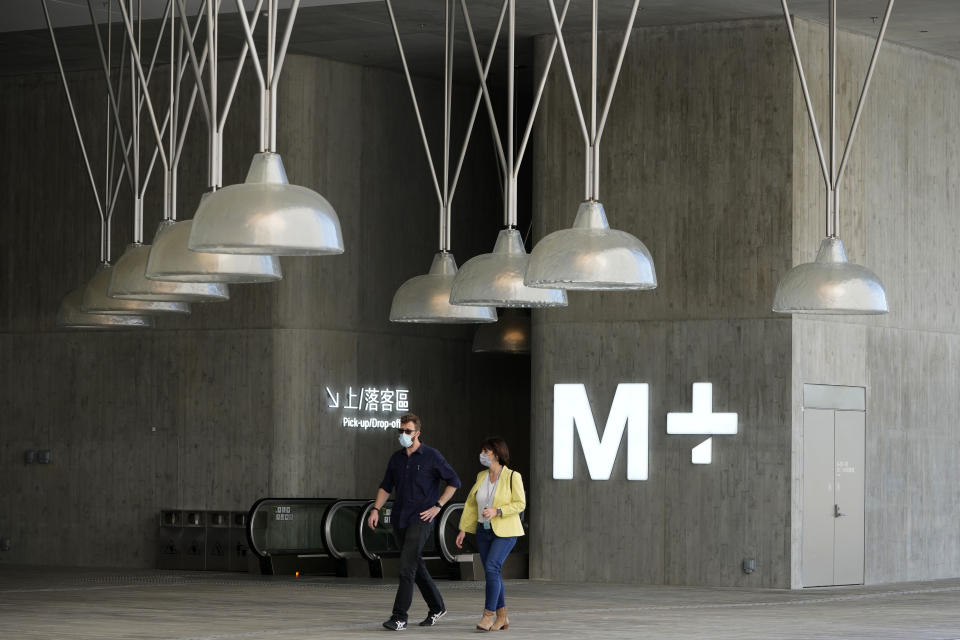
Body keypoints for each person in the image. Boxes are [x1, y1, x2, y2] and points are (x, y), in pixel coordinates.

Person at [367, 413, 461, 631]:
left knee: (406, 568)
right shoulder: (396, 458)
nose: (403, 435)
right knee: (415, 565)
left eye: (407, 431)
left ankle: (400, 617)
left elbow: (454, 482)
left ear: (417, 433)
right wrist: (375, 510)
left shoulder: (431, 456)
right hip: (400, 518)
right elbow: (385, 487)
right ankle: (437, 606)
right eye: (400, 431)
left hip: (421, 519)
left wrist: (437, 506)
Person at [456, 437, 526, 632]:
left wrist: (498, 511)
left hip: (505, 531)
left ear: (497, 454)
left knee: (492, 567)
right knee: (492, 572)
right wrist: (463, 529)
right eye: (482, 452)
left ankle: (488, 615)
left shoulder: (513, 476)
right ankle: (502, 617)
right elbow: (472, 504)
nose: (482, 455)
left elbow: (520, 504)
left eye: (486, 452)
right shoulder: (481, 476)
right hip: (483, 531)